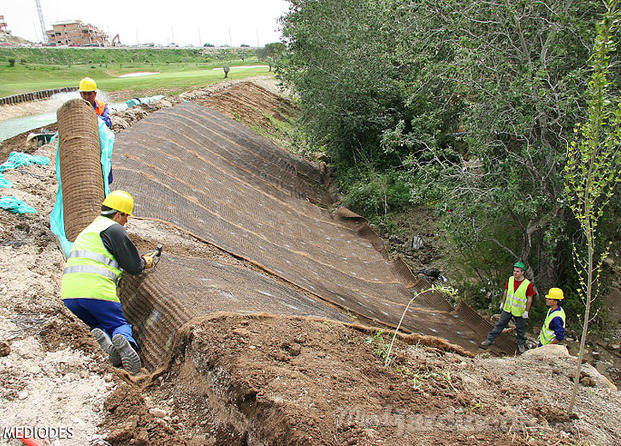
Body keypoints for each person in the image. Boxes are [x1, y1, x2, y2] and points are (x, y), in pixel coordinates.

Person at [61, 190, 158, 374]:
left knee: (98, 324)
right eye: (126, 216)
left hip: (70, 296)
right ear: (118, 214)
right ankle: (125, 341)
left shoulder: (89, 230)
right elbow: (133, 266)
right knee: (118, 324)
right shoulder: (113, 229)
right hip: (97, 293)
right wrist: (146, 262)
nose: (126, 221)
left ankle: (107, 344)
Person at [479, 261, 535, 353]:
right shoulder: (511, 279)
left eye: (517, 271)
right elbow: (506, 291)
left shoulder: (527, 284)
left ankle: (521, 344)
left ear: (522, 272)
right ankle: (490, 339)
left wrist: (526, 311)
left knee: (520, 328)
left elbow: (529, 298)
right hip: (508, 308)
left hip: (519, 310)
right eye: (514, 271)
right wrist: (503, 302)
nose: (515, 273)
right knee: (500, 324)